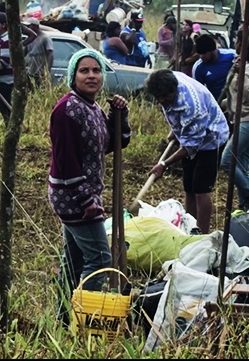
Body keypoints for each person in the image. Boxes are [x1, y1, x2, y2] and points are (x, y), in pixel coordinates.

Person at [48, 48, 131, 326]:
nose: (91, 76)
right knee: (99, 260)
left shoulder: (92, 107)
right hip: (73, 195)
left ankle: (61, 318)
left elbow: (111, 144)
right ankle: (88, 321)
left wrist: (120, 115)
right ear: (73, 76)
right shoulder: (66, 110)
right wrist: (86, 201)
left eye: (96, 70)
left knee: (73, 262)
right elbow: (65, 161)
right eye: (84, 71)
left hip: (85, 194)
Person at [145, 69, 229, 234]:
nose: (162, 101)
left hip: (212, 139)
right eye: (158, 97)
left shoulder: (191, 106)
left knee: (201, 188)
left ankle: (202, 234)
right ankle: (189, 228)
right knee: (188, 186)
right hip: (191, 136)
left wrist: (164, 164)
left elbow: (190, 146)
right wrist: (177, 130)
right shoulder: (167, 80)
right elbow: (180, 125)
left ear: (174, 90)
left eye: (166, 97)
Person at [219, 32, 249, 211]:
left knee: (226, 161)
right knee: (241, 164)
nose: (235, 44)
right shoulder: (244, 65)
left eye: (237, 41)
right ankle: (245, 207)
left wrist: (241, 74)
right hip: (245, 119)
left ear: (242, 44)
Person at [191, 34, 236, 101]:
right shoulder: (198, 67)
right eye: (199, 53)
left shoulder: (231, 55)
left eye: (204, 53)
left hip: (233, 100)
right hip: (215, 103)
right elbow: (199, 91)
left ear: (212, 50)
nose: (201, 56)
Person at [23, 17, 54, 86]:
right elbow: (24, 53)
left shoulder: (45, 37)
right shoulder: (29, 38)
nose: (27, 28)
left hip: (40, 73)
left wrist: (47, 71)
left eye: (29, 26)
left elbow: (50, 54)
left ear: (35, 26)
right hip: (29, 71)